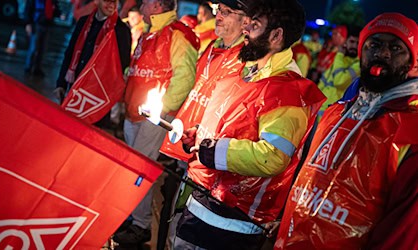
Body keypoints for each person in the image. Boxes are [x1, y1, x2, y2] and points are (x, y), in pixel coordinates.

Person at [174, 0, 325, 249]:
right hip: (201, 202)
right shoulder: (244, 71)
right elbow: (231, 126)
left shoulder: (289, 91)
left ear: (276, 35)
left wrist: (216, 151)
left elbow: (273, 156)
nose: (245, 29)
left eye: (254, 25)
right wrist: (199, 136)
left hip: (233, 222)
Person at [275, 12, 418, 249]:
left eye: (395, 48)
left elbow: (402, 235)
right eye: (374, 45)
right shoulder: (336, 114)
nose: (382, 53)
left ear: (414, 62)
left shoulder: (410, 134)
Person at [158, 0, 250, 247]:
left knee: (186, 231)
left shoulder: (247, 61)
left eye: (228, 12)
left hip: (210, 163)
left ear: (246, 22)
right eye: (219, 10)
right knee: (174, 221)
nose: (218, 16)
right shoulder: (213, 46)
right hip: (188, 145)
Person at [113, 0, 199, 246]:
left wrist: (158, 114)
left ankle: (141, 225)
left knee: (139, 170)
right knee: (134, 169)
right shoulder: (150, 33)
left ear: (158, 5)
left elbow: (185, 77)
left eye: (147, 1)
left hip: (153, 117)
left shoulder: (177, 34)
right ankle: (134, 217)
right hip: (135, 113)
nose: (141, 5)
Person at [54, 0, 131, 128]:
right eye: (107, 1)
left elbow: (122, 66)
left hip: (97, 98)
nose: (111, 5)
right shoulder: (84, 22)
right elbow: (70, 53)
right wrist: (61, 83)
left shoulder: (120, 30)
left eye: (115, 2)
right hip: (75, 89)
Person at [317, 25, 361, 118]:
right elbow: (323, 82)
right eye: (352, 42)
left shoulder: (359, 65)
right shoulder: (340, 59)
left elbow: (339, 81)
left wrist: (339, 55)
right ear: (346, 42)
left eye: (358, 43)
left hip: (335, 114)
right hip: (321, 110)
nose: (354, 46)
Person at [24, 0, 58, 77]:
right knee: (33, 48)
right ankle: (28, 67)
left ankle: (37, 68)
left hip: (47, 25)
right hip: (37, 24)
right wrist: (28, 23)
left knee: (42, 49)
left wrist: (56, 12)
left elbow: (55, 10)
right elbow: (29, 8)